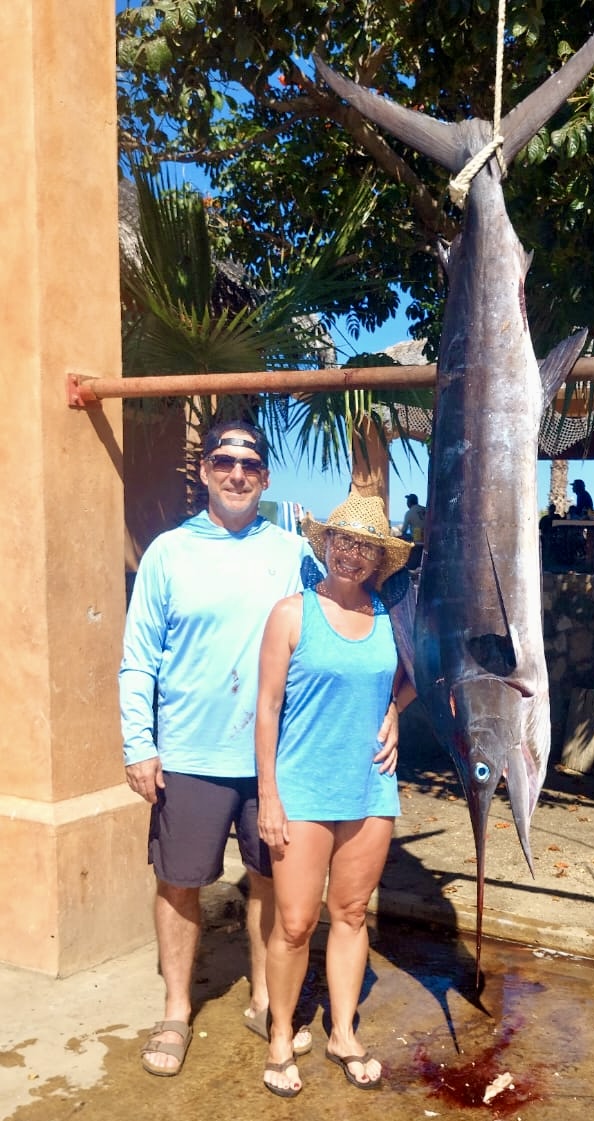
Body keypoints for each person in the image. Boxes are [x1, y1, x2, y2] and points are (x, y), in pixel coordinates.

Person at [119, 422, 401, 1077]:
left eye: (251, 462)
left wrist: (391, 708)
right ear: (206, 469)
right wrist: (140, 743)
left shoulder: (295, 554)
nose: (238, 472)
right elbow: (138, 659)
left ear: (266, 477)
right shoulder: (168, 552)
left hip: (281, 762)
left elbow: (345, 625)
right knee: (181, 881)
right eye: (225, 459)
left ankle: (265, 998)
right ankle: (175, 1009)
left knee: (270, 884)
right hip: (191, 749)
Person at [255, 494, 414, 1098]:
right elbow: (266, 710)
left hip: (371, 787)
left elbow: (421, 675)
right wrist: (269, 795)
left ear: (379, 558)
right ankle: (279, 1035)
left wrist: (396, 712)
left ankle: (343, 1033)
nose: (351, 553)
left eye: (364, 545)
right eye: (342, 541)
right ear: (324, 545)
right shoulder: (291, 613)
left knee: (350, 915)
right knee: (295, 923)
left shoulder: (391, 617)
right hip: (301, 789)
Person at [400, 492, 426, 570]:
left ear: (409, 502)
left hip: (417, 540)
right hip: (428, 538)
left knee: (402, 537)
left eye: (407, 501)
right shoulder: (424, 509)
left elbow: (403, 530)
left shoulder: (409, 513)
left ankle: (407, 564)